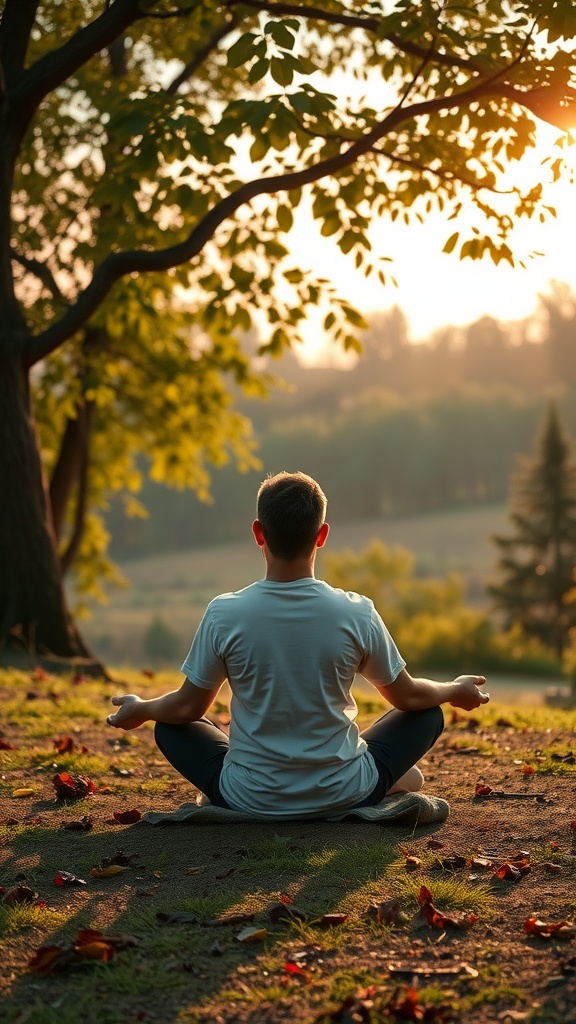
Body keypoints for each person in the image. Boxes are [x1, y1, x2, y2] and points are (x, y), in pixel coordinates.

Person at [106, 471, 489, 818]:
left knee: (170, 726)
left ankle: (259, 784)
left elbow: (188, 706)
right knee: (429, 711)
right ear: (322, 535)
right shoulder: (356, 611)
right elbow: (408, 697)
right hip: (346, 791)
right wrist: (453, 689)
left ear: (258, 532)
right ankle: (379, 777)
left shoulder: (225, 613)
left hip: (247, 796)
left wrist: (143, 708)